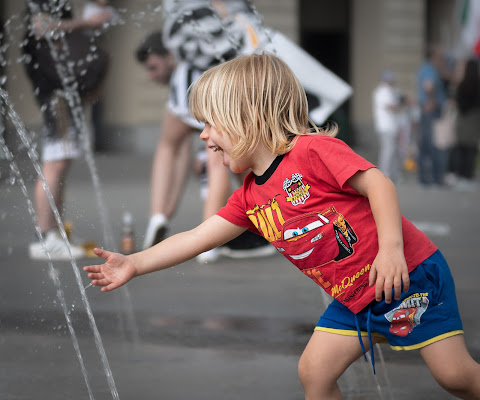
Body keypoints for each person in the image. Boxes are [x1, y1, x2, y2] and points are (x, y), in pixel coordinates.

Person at [84, 53, 480, 399]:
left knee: (456, 377)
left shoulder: (312, 151)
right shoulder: (251, 197)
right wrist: (134, 263)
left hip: (408, 277)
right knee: (314, 373)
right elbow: (197, 237)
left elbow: (379, 183)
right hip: (355, 299)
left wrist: (392, 250)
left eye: (210, 124)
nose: (203, 136)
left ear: (246, 117)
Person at [23, 0, 110, 260]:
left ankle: (54, 234)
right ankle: (45, 235)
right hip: (54, 90)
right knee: (56, 161)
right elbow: (41, 27)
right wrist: (86, 23)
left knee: (60, 161)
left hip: (58, 86)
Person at [416, 45, 449, 188]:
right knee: (430, 145)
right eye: (440, 57)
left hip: (428, 110)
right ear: (434, 57)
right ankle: (430, 178)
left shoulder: (425, 68)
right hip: (431, 111)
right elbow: (429, 86)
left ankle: (426, 178)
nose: (442, 60)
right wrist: (432, 101)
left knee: (427, 144)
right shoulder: (429, 69)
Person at [452, 58, 480, 191]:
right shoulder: (477, 83)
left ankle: (462, 176)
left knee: (462, 148)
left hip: (464, 119)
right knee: (471, 149)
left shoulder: (463, 84)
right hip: (474, 119)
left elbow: (459, 101)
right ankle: (468, 176)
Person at [372, 69, 401, 183]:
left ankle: (392, 173)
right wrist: (400, 104)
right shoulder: (382, 91)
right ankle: (385, 173)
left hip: (389, 126)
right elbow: (390, 106)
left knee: (391, 150)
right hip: (386, 126)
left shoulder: (386, 91)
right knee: (388, 150)